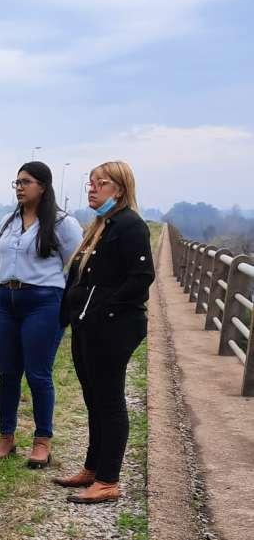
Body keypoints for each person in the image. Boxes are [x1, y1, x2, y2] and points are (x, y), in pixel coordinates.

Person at [56, 161, 154, 503]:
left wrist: (105, 310)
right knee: (93, 398)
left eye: (102, 183)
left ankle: (109, 480)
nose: (93, 189)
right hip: (89, 325)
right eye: (91, 183)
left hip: (113, 327)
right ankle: (93, 468)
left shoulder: (130, 226)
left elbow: (141, 278)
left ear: (120, 189)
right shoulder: (101, 225)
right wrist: (71, 313)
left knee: (109, 401)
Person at [0, 161, 83, 467]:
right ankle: (6, 436)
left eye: (26, 182)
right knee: (7, 373)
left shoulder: (62, 224)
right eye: (16, 182)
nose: (19, 187)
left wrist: (65, 304)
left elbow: (77, 265)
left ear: (43, 186)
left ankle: (43, 440)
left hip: (42, 301)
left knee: (38, 373)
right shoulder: (8, 221)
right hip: (6, 301)